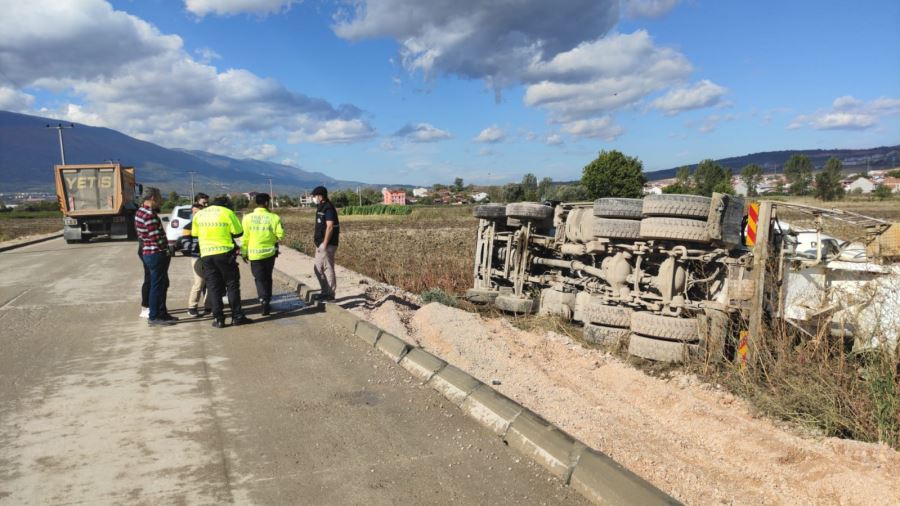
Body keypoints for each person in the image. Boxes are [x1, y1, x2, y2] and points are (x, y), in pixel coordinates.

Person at [191, 196, 252, 328]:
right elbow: (238, 232)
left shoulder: (200, 214)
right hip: (225, 254)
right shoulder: (227, 212)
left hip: (206, 255)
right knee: (232, 285)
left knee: (213, 287)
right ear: (226, 204)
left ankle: (218, 319)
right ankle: (237, 316)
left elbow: (195, 234)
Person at [134, 186, 176, 326]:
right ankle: (154, 317)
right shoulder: (149, 215)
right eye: (158, 197)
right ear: (152, 198)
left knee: (162, 283)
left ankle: (162, 312)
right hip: (155, 253)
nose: (159, 200)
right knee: (157, 285)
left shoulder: (140, 212)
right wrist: (167, 249)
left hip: (149, 252)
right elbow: (155, 237)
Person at [241, 193, 285, 316]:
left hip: (254, 254)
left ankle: (263, 299)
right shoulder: (274, 217)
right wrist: (272, 239)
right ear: (266, 203)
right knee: (268, 276)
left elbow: (245, 238)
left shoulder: (247, 218)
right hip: (269, 253)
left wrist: (244, 253)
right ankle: (268, 299)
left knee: (259, 278)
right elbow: (280, 235)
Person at [312, 186, 339, 300]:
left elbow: (330, 227)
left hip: (327, 244)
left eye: (315, 196)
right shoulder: (320, 207)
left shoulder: (328, 208)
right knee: (318, 268)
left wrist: (325, 244)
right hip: (320, 243)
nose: (313, 198)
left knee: (327, 268)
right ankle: (325, 291)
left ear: (320, 196)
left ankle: (330, 294)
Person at [184, 193, 209, 317]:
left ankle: (209, 306)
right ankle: (192, 307)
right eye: (194, 213)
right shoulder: (188, 227)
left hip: (209, 256)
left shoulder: (208, 225)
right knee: (199, 283)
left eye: (198, 212)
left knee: (210, 282)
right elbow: (185, 244)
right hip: (197, 257)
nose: (195, 215)